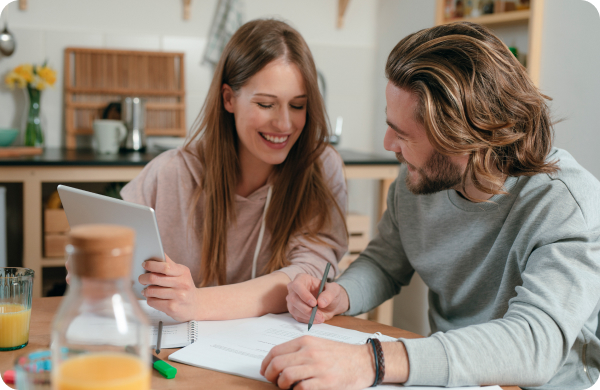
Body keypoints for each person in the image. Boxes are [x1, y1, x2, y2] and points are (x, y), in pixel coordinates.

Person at [262, 22, 600, 390]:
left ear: (465, 136)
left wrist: (372, 361)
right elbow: (384, 263)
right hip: (446, 379)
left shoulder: (567, 204)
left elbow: (535, 343)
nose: (388, 144)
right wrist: (339, 295)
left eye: (403, 134)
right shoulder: (419, 180)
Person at [66, 19, 348, 323]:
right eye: (266, 104)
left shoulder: (319, 167)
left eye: (297, 106)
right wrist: (91, 264)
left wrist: (197, 303)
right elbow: (105, 253)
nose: (284, 124)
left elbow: (307, 274)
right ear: (229, 99)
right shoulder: (170, 172)